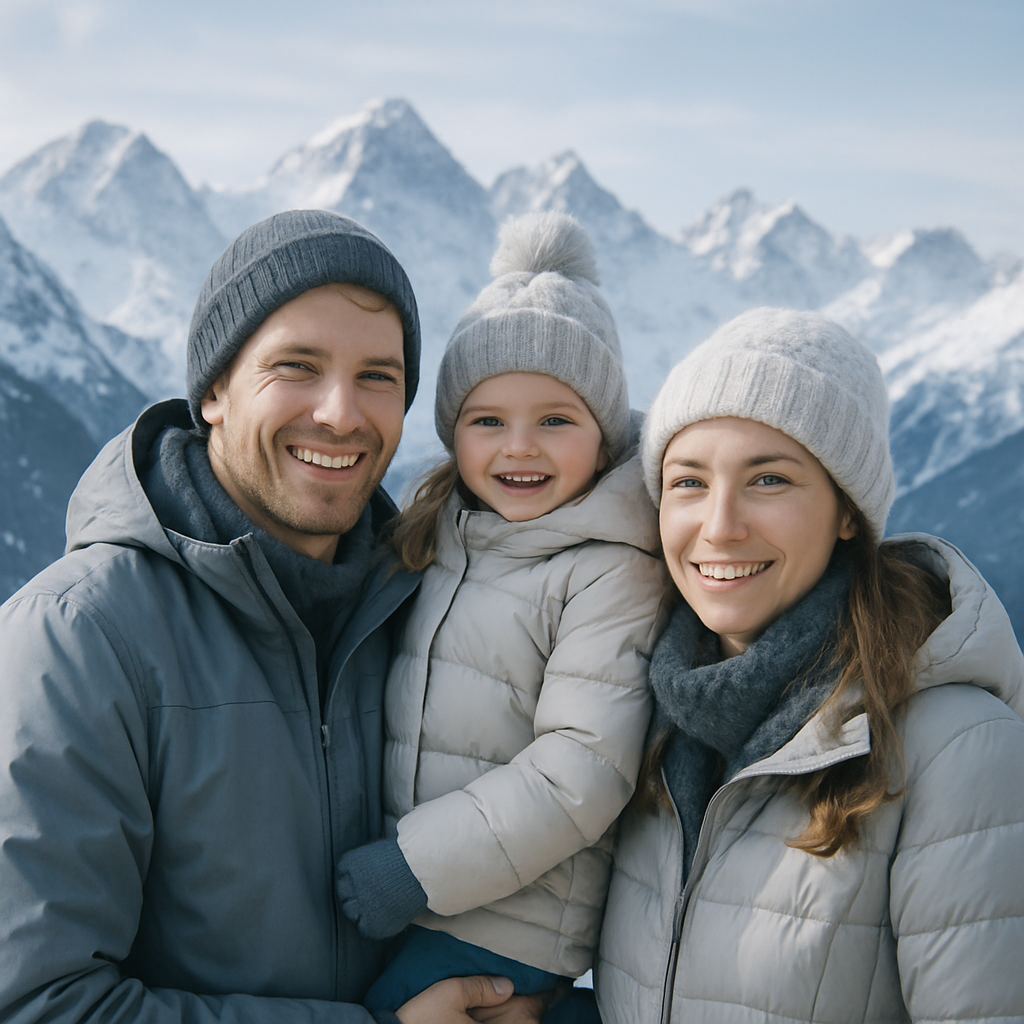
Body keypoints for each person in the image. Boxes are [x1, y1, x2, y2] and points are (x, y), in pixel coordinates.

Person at [0, 209, 531, 1024]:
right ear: (214, 390)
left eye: (380, 377)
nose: (341, 413)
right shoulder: (77, 637)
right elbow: (39, 1004)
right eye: (298, 365)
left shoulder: (427, 611)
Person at [593, 307, 1024, 1024]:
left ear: (847, 512)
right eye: (689, 482)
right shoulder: (647, 723)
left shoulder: (961, 749)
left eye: (769, 481)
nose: (721, 525)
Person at [333, 213, 670, 1020]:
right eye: (488, 422)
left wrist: (411, 866)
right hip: (426, 900)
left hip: (506, 928)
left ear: (604, 431)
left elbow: (581, 771)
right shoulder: (444, 529)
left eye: (556, 420)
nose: (520, 448)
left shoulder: (610, 570)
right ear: (454, 434)